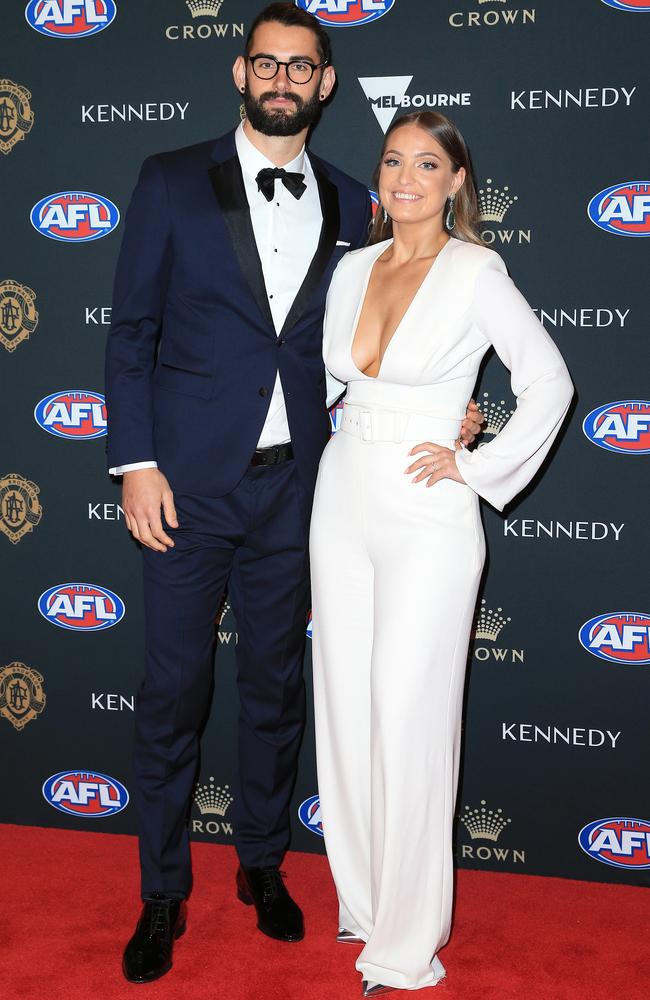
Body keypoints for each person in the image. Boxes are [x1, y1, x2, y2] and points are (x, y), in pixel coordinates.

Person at [105, 2, 488, 985]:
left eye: (301, 66)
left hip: (302, 496)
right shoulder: (168, 181)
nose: (282, 78)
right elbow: (129, 334)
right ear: (240, 75)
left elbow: (380, 341)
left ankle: (262, 865)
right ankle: (160, 892)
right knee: (172, 697)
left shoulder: (358, 199)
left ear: (322, 84)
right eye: (265, 62)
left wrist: (448, 413)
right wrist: (134, 461)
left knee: (277, 695)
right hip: (184, 491)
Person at [309, 111, 573, 996]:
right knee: (344, 705)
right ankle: (366, 899)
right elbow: (332, 387)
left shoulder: (474, 271)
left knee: (409, 715)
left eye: (428, 163)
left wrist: (478, 463)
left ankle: (405, 944)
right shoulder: (351, 270)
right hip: (342, 493)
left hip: (427, 508)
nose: (406, 177)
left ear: (458, 180)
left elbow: (550, 381)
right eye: (393, 160)